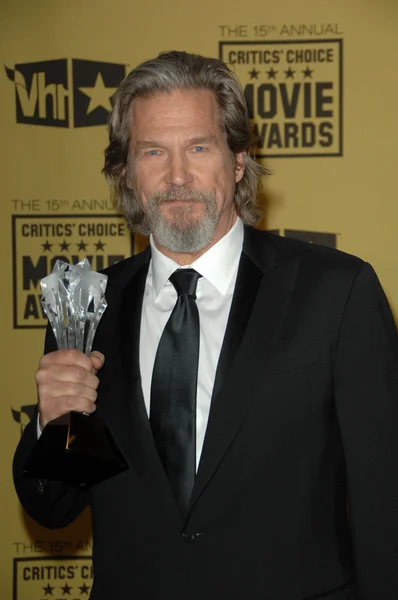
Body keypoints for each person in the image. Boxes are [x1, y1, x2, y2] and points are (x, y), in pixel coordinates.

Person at [13, 51, 398, 600]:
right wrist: (52, 425)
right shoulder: (87, 306)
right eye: (152, 152)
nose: (176, 176)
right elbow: (53, 507)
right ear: (126, 171)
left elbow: (385, 500)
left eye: (198, 147)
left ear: (238, 160)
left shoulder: (336, 291)